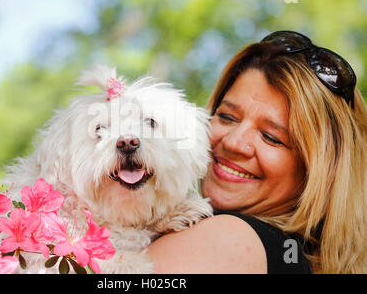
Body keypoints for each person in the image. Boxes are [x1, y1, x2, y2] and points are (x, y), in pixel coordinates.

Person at [147, 31, 367, 274]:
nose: (233, 142)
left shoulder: (228, 240)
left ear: (321, 172)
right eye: (227, 117)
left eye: (271, 137)